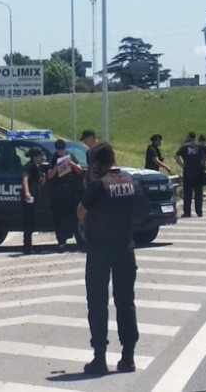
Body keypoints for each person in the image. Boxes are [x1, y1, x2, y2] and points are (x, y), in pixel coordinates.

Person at [76, 142, 139, 375]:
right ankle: (128, 357)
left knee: (98, 303)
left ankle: (100, 358)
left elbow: (81, 212)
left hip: (100, 250)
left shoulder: (98, 185)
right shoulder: (130, 181)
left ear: (97, 164)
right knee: (125, 301)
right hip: (125, 248)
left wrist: (89, 183)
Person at [47, 139, 83, 251]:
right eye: (59, 150)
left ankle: (80, 241)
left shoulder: (70, 155)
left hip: (72, 191)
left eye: (62, 150)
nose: (61, 152)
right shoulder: (53, 158)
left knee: (75, 217)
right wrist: (57, 167)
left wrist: (71, 164)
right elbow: (49, 175)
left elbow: (80, 170)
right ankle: (61, 242)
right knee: (60, 218)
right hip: (59, 193)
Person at [175, 131, 206, 217]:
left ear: (189, 137)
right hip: (199, 172)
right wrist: (203, 160)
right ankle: (199, 211)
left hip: (188, 172)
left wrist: (182, 165)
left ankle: (187, 212)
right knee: (198, 193)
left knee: (187, 193)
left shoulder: (185, 146)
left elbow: (176, 155)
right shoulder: (199, 146)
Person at [22, 147, 46, 255]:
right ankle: (27, 247)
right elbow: (25, 179)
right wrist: (27, 192)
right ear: (35, 157)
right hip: (29, 197)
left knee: (32, 221)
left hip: (35, 196)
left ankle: (29, 246)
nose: (42, 157)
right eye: (40, 156)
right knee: (29, 221)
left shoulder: (38, 167)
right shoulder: (30, 166)